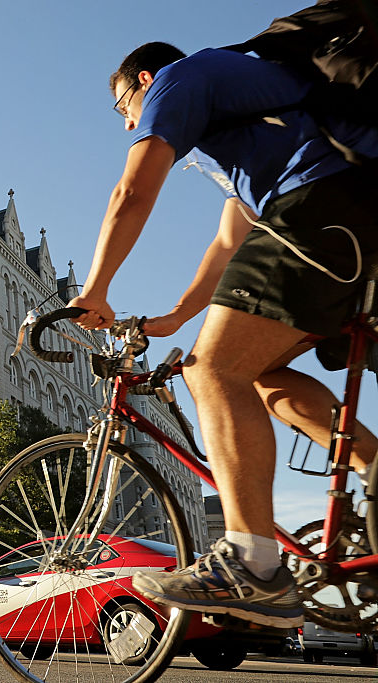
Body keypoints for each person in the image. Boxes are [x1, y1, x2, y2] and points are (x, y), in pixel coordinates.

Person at [68, 41, 378, 629]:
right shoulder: (251, 131)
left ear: (144, 79)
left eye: (123, 109)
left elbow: (132, 190)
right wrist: (175, 319)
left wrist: (95, 288)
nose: (130, 122)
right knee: (254, 372)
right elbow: (229, 241)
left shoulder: (180, 79)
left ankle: (251, 564)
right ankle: (373, 465)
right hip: (347, 219)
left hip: (320, 207)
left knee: (210, 370)